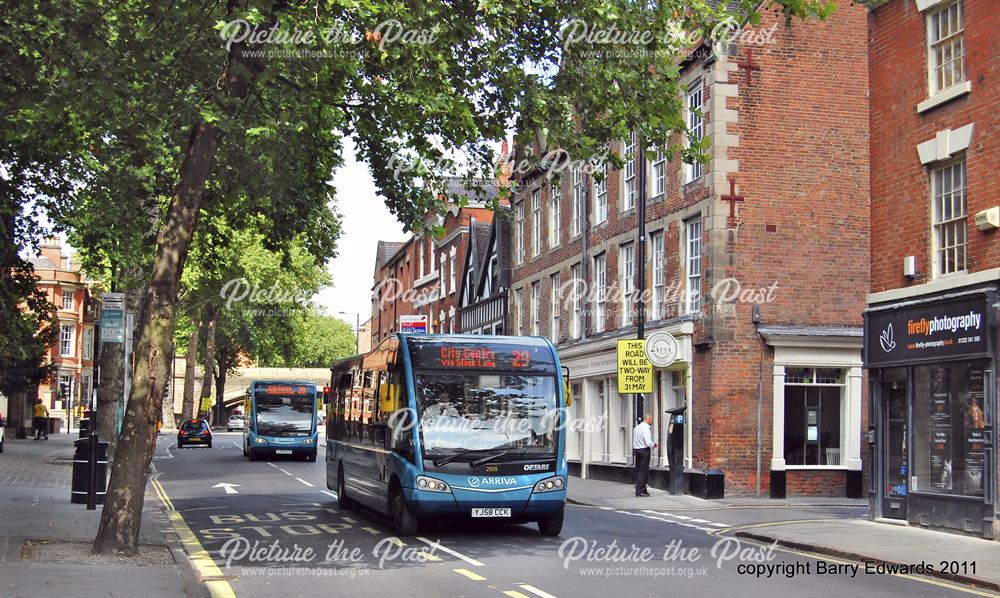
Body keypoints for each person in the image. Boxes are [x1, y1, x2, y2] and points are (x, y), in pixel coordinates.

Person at [632, 413, 657, 497]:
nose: (652, 421)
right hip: (644, 451)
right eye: (652, 419)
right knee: (643, 471)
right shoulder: (646, 429)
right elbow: (648, 442)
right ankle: (641, 491)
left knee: (639, 470)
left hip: (637, 450)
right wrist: (654, 444)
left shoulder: (636, 428)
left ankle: (639, 489)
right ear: (648, 419)